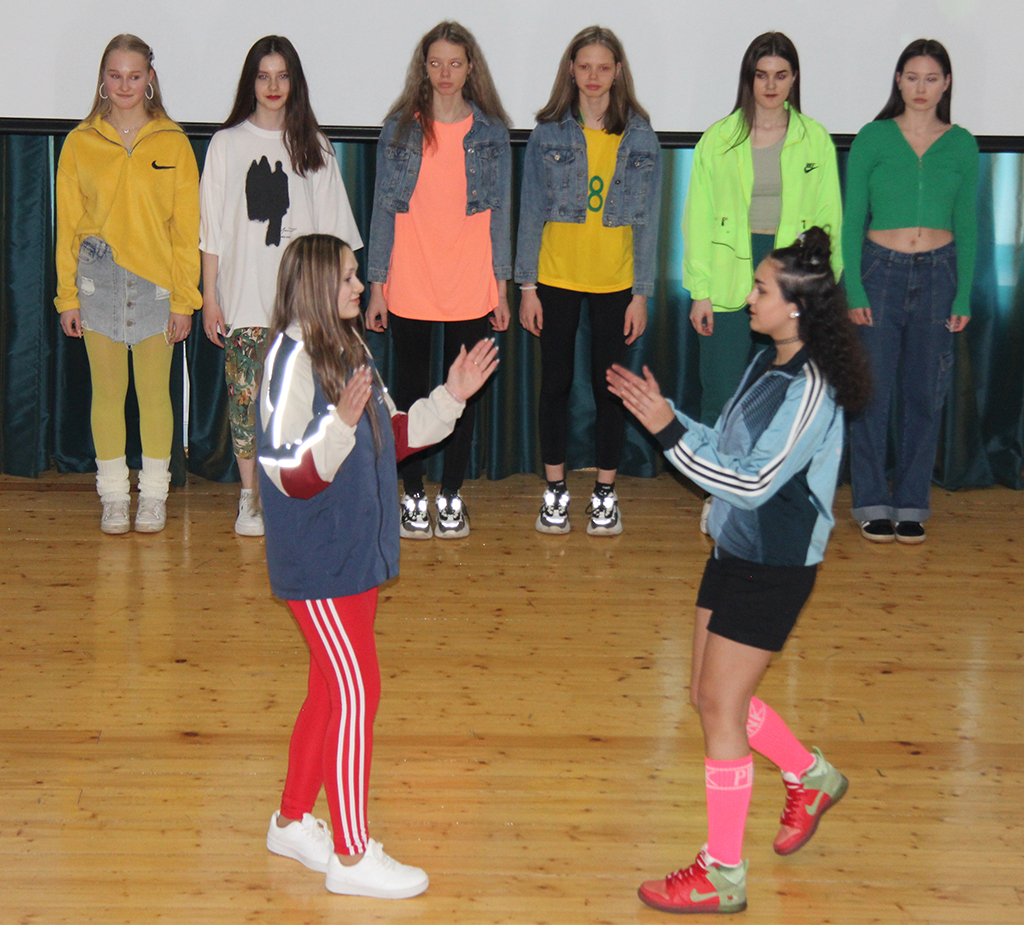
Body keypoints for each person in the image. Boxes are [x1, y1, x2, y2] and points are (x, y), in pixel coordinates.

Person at [608, 228, 870, 914]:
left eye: (760, 288)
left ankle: (723, 871)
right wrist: (666, 417)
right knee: (707, 695)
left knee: (722, 707)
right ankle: (808, 775)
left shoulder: (812, 388)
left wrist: (667, 431)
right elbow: (725, 449)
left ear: (796, 307)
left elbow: (753, 483)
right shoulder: (767, 361)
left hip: (775, 564)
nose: (749, 297)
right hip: (733, 549)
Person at [257, 234, 497, 897]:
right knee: (358, 688)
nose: (360, 285)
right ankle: (352, 854)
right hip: (318, 562)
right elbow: (286, 470)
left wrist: (450, 396)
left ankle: (292, 820)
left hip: (356, 557)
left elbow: (390, 436)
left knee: (331, 688)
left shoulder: (350, 347)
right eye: (348, 277)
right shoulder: (290, 359)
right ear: (315, 285)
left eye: (357, 274)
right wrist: (337, 424)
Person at [200, 35, 362, 536]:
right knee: (246, 403)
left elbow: (337, 236)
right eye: (263, 76)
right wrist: (209, 298)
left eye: (283, 76)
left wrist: (339, 296)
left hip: (304, 307)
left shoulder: (315, 145)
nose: (273, 86)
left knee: (305, 404)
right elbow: (211, 232)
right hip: (244, 301)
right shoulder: (226, 144)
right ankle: (251, 497)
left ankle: (302, 492)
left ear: (295, 82)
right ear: (251, 82)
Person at [682, 32, 842, 532]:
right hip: (728, 275)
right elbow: (697, 219)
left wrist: (820, 290)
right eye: (761, 75)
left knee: (793, 393)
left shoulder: (814, 138)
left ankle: (779, 495)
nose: (771, 85)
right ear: (748, 80)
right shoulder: (718, 139)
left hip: (789, 277)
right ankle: (718, 496)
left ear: (794, 80)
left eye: (781, 75)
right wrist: (701, 290)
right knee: (721, 394)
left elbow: (829, 220)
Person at [366, 21, 511, 540]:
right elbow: (383, 211)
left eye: (454, 63)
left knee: (462, 392)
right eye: (435, 63)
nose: (445, 73)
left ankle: (451, 494)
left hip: (470, 281)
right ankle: (412, 495)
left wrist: (502, 287)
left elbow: (500, 214)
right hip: (410, 277)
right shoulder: (399, 129)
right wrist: (377, 286)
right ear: (423, 68)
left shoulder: (492, 131)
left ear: (470, 67)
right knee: (408, 392)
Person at [515, 25, 661, 536]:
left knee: (610, 391)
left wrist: (641, 293)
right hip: (555, 278)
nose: (593, 77)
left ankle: (604, 494)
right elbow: (530, 212)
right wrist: (527, 288)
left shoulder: (639, 134)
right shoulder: (548, 132)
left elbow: (648, 223)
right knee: (555, 385)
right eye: (584, 67)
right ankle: (555, 491)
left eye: (603, 67)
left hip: (615, 283)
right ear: (571, 71)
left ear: (617, 71)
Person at [55, 34, 200, 534]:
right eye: (115, 76)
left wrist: (185, 299)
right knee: (107, 394)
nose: (124, 85)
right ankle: (114, 496)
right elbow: (67, 227)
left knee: (155, 395)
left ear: (150, 80)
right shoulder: (80, 142)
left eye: (134, 76)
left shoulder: (173, 142)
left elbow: (186, 230)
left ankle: (154, 496)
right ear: (102, 79)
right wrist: (67, 296)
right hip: (98, 280)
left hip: (157, 283)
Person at [843, 39, 978, 545]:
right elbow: (852, 218)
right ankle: (872, 502)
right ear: (898, 80)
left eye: (932, 78)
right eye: (913, 77)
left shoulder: (961, 143)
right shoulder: (873, 137)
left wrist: (963, 295)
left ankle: (912, 503)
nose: (921, 88)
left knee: (926, 394)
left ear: (946, 84)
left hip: (940, 274)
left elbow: (968, 223)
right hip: (880, 271)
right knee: (871, 394)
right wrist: (854, 288)